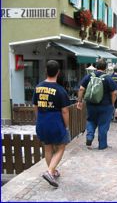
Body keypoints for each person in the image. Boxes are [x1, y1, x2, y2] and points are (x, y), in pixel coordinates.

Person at [32, 60, 70, 188]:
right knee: (61, 146)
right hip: (55, 122)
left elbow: (35, 107)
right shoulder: (60, 90)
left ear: (46, 71)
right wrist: (66, 126)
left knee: (47, 147)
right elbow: (64, 111)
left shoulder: (38, 87)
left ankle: (52, 171)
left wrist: (39, 121)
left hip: (42, 121)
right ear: (58, 73)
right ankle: (49, 171)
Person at [77, 59, 117, 150]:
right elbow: (114, 92)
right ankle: (102, 145)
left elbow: (81, 89)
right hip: (105, 106)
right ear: (105, 68)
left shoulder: (89, 76)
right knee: (103, 124)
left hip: (91, 104)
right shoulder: (108, 78)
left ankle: (89, 137)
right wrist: (112, 103)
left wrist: (79, 101)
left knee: (91, 120)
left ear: (96, 67)